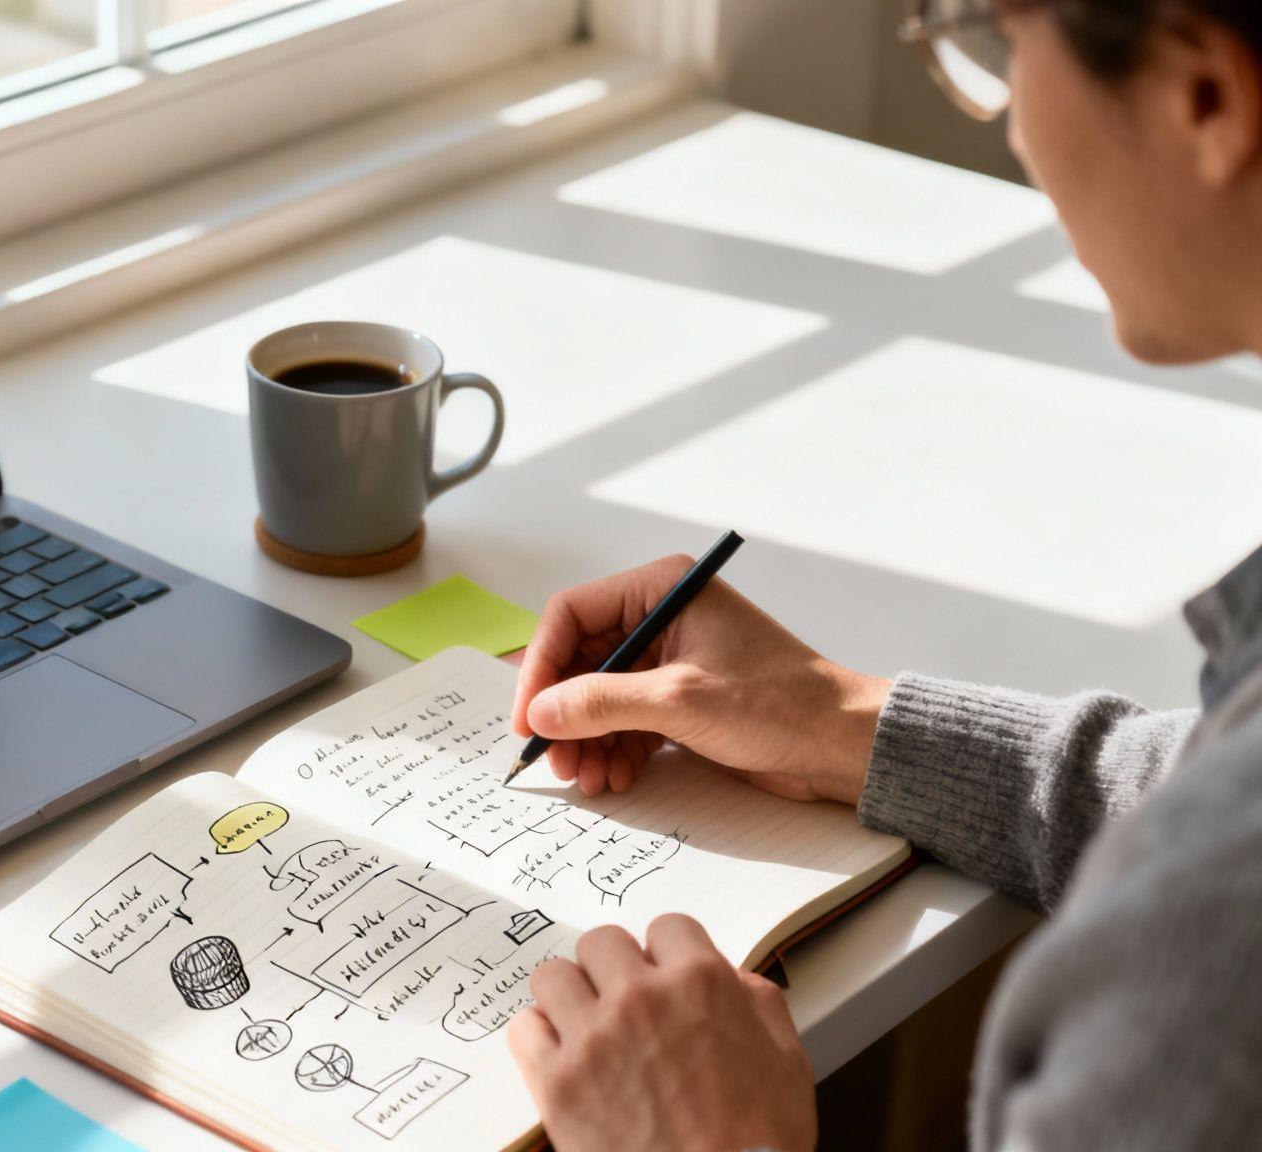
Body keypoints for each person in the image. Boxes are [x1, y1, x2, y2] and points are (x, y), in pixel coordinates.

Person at [503, 1, 1262, 1149]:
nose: (1012, 130)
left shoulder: (1196, 993)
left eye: (1001, 42)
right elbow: (1213, 776)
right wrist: (836, 718)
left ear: (1202, 94)